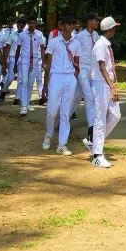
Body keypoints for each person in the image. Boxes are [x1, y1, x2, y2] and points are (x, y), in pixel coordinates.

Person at [42, 14, 79, 155]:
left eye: (73, 24)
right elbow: (49, 63)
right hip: (56, 78)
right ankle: (48, 135)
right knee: (52, 111)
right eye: (68, 24)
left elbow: (77, 62)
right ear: (63, 26)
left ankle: (62, 144)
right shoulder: (54, 42)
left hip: (70, 78)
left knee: (65, 113)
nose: (71, 26)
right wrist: (45, 85)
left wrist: (74, 78)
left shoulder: (76, 43)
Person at [88, 15, 122, 168]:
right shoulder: (101, 44)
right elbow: (102, 66)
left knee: (115, 115)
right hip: (101, 85)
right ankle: (97, 155)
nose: (115, 30)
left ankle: (94, 143)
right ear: (110, 29)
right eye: (114, 27)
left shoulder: (106, 43)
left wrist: (112, 85)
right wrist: (112, 86)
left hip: (106, 84)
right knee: (100, 118)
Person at [74, 12, 100, 146]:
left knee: (76, 97)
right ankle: (91, 129)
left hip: (93, 72)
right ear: (89, 21)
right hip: (82, 71)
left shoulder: (96, 35)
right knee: (89, 98)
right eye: (95, 20)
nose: (97, 23)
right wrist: (75, 69)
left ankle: (62, 120)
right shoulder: (79, 37)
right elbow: (74, 54)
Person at [15, 16, 43, 116]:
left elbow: (42, 48)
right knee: (24, 82)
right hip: (24, 61)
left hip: (35, 61)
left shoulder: (39, 34)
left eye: (33, 23)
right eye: (30, 23)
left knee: (31, 83)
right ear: (28, 24)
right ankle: (23, 107)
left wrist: (43, 62)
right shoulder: (22, 35)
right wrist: (15, 62)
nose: (32, 25)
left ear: (36, 24)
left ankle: (27, 104)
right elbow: (18, 49)